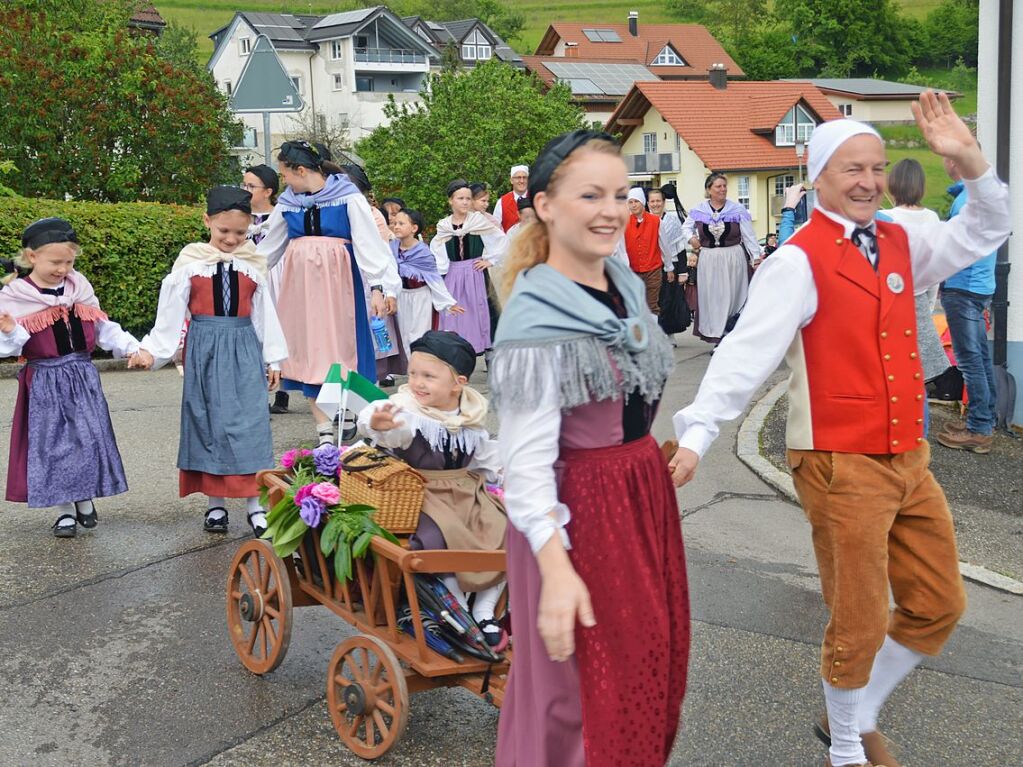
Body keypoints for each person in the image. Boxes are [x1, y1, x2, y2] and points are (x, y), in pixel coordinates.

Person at [670, 97, 1010, 767]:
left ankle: (846, 713)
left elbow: (985, 228)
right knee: (857, 614)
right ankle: (848, 744)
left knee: (938, 602)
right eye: (852, 168)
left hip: (905, 455)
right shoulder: (796, 261)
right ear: (819, 175)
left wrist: (969, 161)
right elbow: (746, 351)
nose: (868, 180)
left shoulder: (901, 241)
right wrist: (696, 431)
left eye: (877, 168)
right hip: (835, 458)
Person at [492, 130, 689, 767]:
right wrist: (555, 571)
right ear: (546, 205)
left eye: (621, 194)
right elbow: (522, 465)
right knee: (573, 698)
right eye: (590, 195)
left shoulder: (625, 287)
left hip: (637, 495)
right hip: (577, 512)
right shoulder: (536, 315)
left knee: (644, 666)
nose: (611, 209)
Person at [135, 187, 286, 535]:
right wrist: (151, 352)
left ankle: (254, 504)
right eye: (224, 231)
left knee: (250, 423)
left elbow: (265, 314)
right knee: (209, 423)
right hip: (204, 349)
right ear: (207, 221)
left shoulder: (253, 264)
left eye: (240, 232)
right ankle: (215, 506)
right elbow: (170, 315)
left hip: (244, 346)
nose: (232, 239)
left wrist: (274, 358)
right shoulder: (190, 264)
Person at [357, 330, 508, 649]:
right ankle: (457, 612)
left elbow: (483, 456)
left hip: (465, 489)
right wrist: (380, 424)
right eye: (413, 373)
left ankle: (483, 609)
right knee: (442, 537)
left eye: (428, 376)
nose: (417, 382)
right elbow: (381, 423)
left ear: (459, 383)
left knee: (505, 529)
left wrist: (510, 470)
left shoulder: (469, 413)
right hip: (420, 491)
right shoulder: (406, 409)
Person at [0, 218, 142, 538]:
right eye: (55, 262)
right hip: (45, 381)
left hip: (82, 376)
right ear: (32, 257)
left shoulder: (79, 287)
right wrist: (9, 331)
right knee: (54, 447)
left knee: (87, 441)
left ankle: (84, 496)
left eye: (68, 261)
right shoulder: (17, 295)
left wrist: (132, 349)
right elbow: (10, 346)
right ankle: (64, 508)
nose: (62, 268)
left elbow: (103, 328)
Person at [256, 140, 400, 446]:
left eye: (286, 174)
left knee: (340, 352)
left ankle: (345, 410)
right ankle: (323, 433)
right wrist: (242, 272)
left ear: (302, 170)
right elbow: (269, 247)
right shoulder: (289, 202)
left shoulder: (347, 197)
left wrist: (377, 287)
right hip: (300, 288)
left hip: (339, 286)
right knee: (307, 354)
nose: (284, 181)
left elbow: (369, 244)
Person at [936, 155, 1000, 453]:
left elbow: (955, 249)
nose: (943, 163)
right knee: (981, 359)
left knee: (970, 360)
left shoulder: (965, 203)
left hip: (963, 288)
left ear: (954, 162)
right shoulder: (983, 197)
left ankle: (979, 429)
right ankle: (983, 419)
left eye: (946, 158)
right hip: (981, 286)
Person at [884, 159, 950, 391]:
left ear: (893, 185)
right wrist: (928, 306)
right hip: (920, 300)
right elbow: (935, 269)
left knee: (890, 378)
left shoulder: (884, 218)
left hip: (888, 304)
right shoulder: (932, 218)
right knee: (917, 380)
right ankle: (919, 428)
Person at [681, 172, 761, 344]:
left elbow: (749, 236)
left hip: (733, 257)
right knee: (713, 297)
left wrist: (755, 258)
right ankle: (717, 335)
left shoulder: (737, 210)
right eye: (718, 186)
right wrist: (691, 238)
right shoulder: (698, 210)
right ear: (709, 189)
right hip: (709, 259)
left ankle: (732, 332)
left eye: (724, 186)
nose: (723, 189)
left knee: (733, 296)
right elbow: (685, 228)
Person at [430, 179, 507, 356]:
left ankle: (488, 355)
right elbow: (437, 251)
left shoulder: (478, 221)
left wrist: (490, 260)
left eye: (467, 198)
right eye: (460, 198)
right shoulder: (444, 226)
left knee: (482, 315)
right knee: (455, 316)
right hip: (453, 275)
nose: (465, 202)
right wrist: (441, 272)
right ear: (450, 200)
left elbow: (501, 240)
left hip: (475, 274)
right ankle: (455, 356)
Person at [243, 164, 289, 414]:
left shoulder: (280, 215)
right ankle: (258, 392)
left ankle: (283, 388)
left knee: (279, 327)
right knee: (255, 328)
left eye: (252, 186)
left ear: (268, 191)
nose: (246, 190)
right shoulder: (240, 217)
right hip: (251, 275)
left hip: (277, 274)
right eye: (244, 185)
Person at [389, 208, 464, 357]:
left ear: (414, 228)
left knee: (419, 334)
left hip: (420, 298)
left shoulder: (423, 252)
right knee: (403, 334)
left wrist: (448, 302)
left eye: (401, 223)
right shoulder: (391, 248)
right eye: (395, 223)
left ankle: (420, 363)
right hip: (401, 296)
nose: (396, 226)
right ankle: (411, 369)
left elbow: (434, 280)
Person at [623, 187, 669, 315]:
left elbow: (664, 246)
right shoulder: (623, 222)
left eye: (636, 201)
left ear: (643, 202)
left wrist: (669, 267)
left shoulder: (656, 221)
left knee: (652, 305)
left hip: (653, 269)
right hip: (632, 270)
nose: (633, 205)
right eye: (630, 202)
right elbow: (620, 248)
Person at [492, 164, 529, 233]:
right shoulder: (502, 202)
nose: (522, 181)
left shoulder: (535, 199)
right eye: (518, 177)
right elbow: (495, 229)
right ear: (511, 180)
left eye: (524, 177)